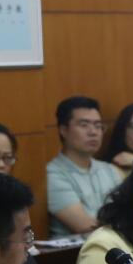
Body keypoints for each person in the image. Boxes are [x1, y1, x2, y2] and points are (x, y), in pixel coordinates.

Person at [46, 96, 123, 237]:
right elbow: (84, 225)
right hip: (79, 250)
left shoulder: (110, 170)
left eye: (98, 126)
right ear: (63, 130)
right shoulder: (53, 174)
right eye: (84, 125)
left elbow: (128, 212)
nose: (93, 132)